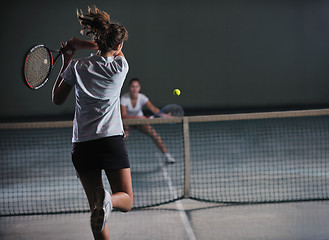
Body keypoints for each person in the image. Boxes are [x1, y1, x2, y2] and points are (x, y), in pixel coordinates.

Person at [52, 6, 133, 240]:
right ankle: (109, 200)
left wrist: (69, 55)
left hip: (83, 146)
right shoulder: (121, 66)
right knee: (125, 199)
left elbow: (57, 99)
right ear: (119, 45)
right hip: (111, 142)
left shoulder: (77, 67)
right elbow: (110, 48)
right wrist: (83, 44)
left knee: (96, 212)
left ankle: (103, 203)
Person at [120, 78, 175, 163]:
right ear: (129, 88)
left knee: (154, 135)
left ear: (139, 88)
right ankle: (119, 159)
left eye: (136, 87)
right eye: (132, 87)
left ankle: (167, 156)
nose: (134, 89)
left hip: (140, 122)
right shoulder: (124, 99)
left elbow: (153, 108)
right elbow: (123, 116)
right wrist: (139, 118)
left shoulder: (142, 98)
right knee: (123, 137)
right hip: (127, 122)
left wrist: (163, 115)